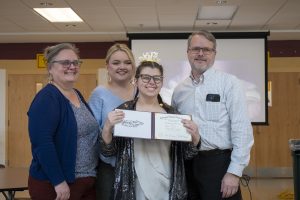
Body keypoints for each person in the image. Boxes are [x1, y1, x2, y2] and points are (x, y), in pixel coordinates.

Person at [100, 59, 201, 200]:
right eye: (146, 77)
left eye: (157, 78)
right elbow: (108, 151)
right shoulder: (124, 112)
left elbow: (186, 155)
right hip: (134, 185)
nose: (152, 82)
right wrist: (107, 128)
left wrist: (195, 138)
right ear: (136, 80)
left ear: (162, 81)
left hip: (166, 183)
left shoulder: (173, 114)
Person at [171, 30, 254, 200]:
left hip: (219, 165)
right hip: (187, 165)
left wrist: (234, 173)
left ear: (214, 54)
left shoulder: (229, 83)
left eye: (207, 49)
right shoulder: (179, 90)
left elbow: (242, 129)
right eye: (195, 49)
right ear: (188, 52)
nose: (201, 53)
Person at [27, 43, 99, 200]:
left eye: (75, 62)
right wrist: (58, 181)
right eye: (65, 62)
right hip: (57, 186)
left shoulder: (76, 93)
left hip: (86, 181)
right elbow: (42, 144)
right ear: (50, 67)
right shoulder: (47, 98)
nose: (72, 66)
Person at [88, 43, 137, 200]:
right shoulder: (99, 94)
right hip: (109, 167)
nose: (122, 67)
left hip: (140, 166)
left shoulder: (142, 91)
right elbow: (92, 134)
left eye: (127, 62)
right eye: (116, 63)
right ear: (107, 66)